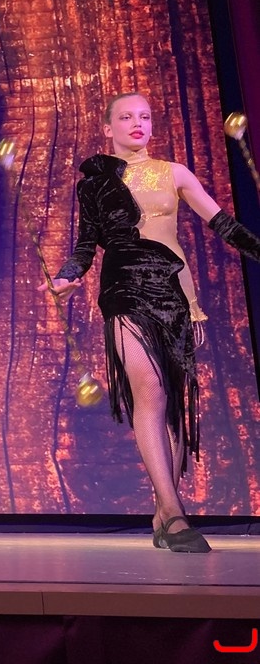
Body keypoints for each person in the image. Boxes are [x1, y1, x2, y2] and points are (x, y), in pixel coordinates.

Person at [44, 93, 260, 554]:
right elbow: (86, 244)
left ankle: (162, 514)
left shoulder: (174, 172)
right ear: (109, 128)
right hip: (124, 288)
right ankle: (175, 513)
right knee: (151, 388)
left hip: (175, 293)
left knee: (174, 404)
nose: (137, 123)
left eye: (144, 116)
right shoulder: (95, 184)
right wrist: (67, 275)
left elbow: (223, 224)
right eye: (126, 117)